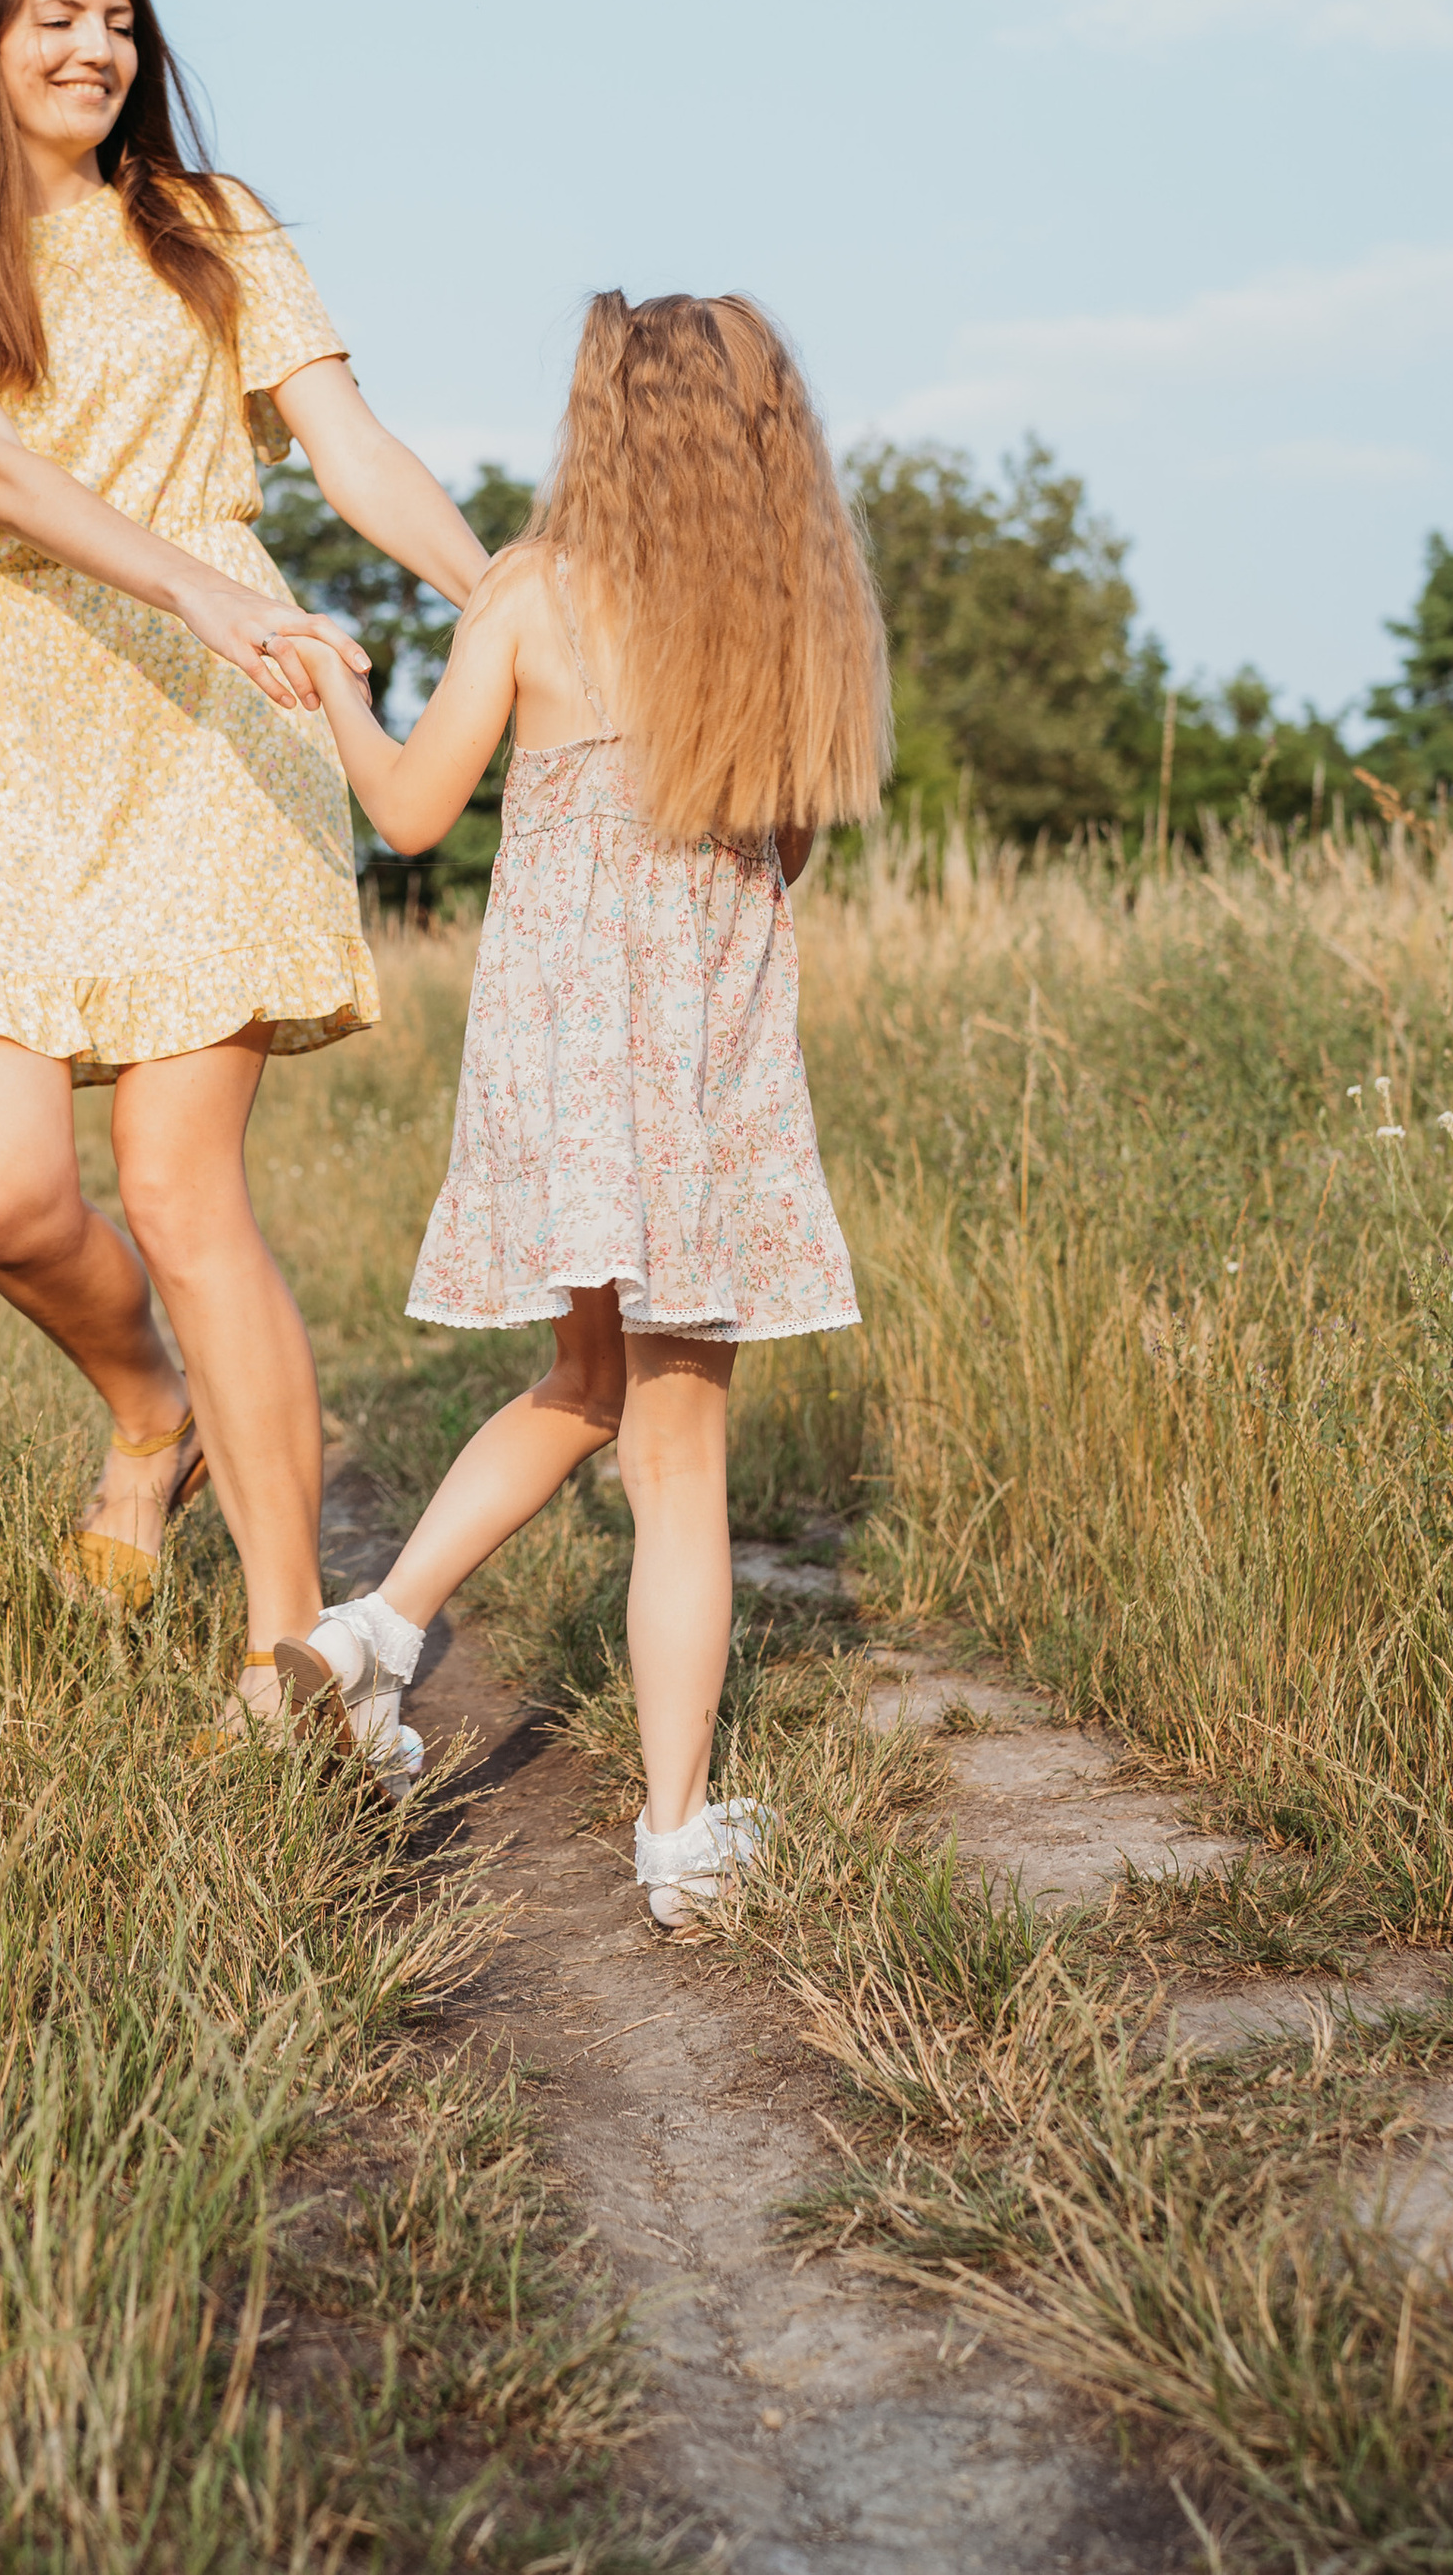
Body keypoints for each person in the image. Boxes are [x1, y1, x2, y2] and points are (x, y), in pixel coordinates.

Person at [0, 0, 486, 1728]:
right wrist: (195, 588)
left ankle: (293, 1654)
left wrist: (502, 594)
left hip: (223, 718)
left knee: (185, 1189)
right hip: (25, 730)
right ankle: (147, 1411)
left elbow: (344, 448)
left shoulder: (214, 227)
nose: (94, 49)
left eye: (117, 20)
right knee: (2, 1185)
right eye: (54, 18)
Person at [277, 289, 889, 1923]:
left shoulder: (531, 596)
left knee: (581, 1377)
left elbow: (409, 812)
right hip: (700, 1082)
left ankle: (370, 1638)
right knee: (680, 1451)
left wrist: (330, 681)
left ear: (602, 423)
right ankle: (681, 1840)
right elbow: (787, 860)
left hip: (555, 1071)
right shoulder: (791, 623)